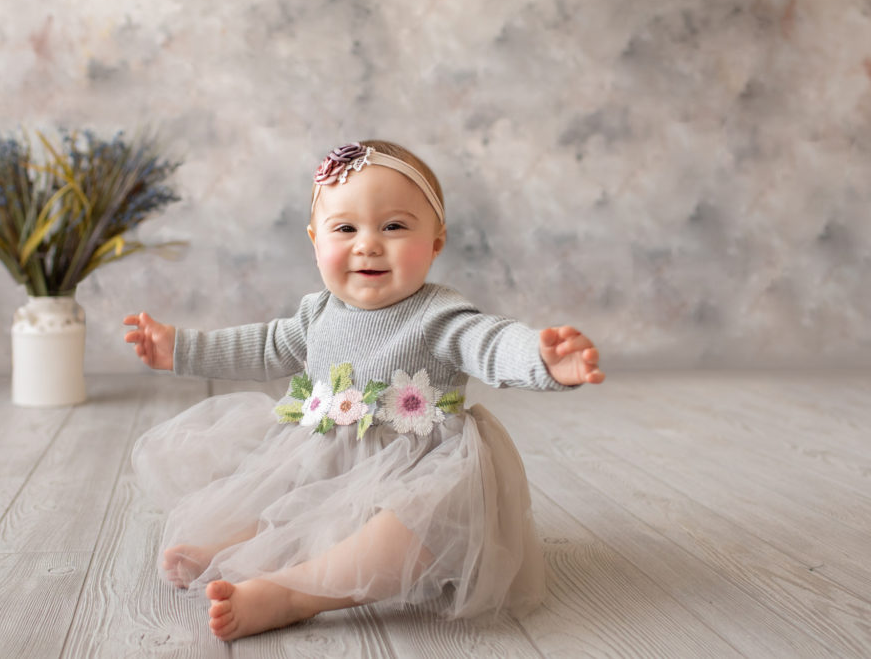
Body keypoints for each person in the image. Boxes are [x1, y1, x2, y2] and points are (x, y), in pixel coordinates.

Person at [123, 140, 604, 641]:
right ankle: (228, 552)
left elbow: (491, 341)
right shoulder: (317, 313)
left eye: (394, 226)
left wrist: (540, 358)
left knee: (418, 524)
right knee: (282, 494)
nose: (368, 244)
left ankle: (296, 592)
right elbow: (260, 347)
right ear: (315, 240)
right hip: (323, 461)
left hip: (419, 468)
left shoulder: (440, 315)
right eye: (345, 228)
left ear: (437, 241)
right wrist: (181, 348)